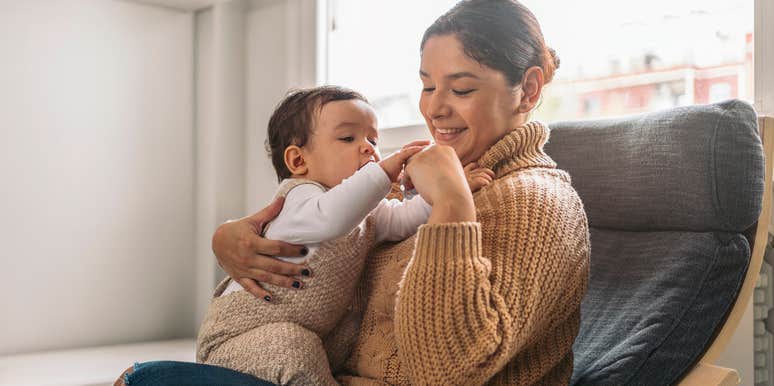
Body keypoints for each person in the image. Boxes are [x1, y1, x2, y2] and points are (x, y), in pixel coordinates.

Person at [116, 0, 590, 385]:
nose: (435, 109)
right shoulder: (438, 178)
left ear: (528, 90)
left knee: (144, 381)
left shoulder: (537, 201)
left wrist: (450, 205)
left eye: (461, 89)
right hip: (288, 357)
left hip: (309, 366)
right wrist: (228, 238)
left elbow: (449, 370)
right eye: (426, 87)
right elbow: (335, 226)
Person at [195, 85, 493, 385]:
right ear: (299, 161)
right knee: (295, 348)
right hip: (235, 337)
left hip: (294, 335)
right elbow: (332, 218)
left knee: (311, 348)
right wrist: (385, 170)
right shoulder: (299, 199)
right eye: (348, 138)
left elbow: (406, 218)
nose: (368, 148)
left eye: (373, 139)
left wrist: (450, 186)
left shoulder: (368, 212)